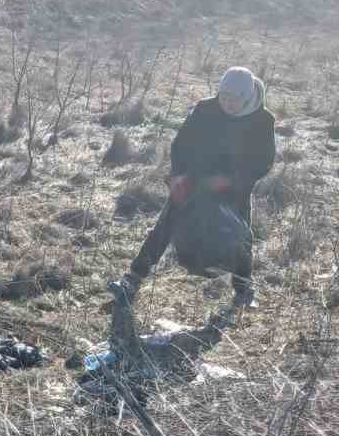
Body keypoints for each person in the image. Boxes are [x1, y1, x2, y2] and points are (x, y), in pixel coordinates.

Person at [117, 66, 275, 309]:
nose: (227, 104)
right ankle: (133, 278)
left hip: (235, 189)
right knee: (165, 226)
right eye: (224, 98)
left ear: (246, 98)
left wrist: (231, 180)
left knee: (242, 237)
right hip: (194, 180)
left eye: (234, 100)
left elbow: (263, 162)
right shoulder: (204, 110)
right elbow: (181, 145)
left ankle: (243, 290)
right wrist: (179, 175)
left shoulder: (262, 120)